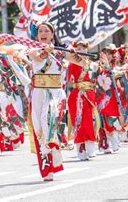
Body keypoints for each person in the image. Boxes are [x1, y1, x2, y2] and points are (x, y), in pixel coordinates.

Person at [27, 22, 87, 181]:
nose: (43, 33)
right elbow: (38, 58)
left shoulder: (61, 51)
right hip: (38, 92)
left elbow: (82, 63)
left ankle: (54, 148)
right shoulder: (32, 49)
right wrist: (46, 52)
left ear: (53, 34)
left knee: (47, 119)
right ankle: (49, 166)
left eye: (46, 30)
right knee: (39, 129)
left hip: (55, 92)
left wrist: (74, 53)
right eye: (40, 31)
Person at [66, 41, 99, 161]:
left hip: (90, 95)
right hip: (77, 95)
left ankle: (90, 148)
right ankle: (80, 149)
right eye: (78, 48)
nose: (81, 50)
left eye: (83, 48)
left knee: (90, 121)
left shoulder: (92, 64)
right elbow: (68, 82)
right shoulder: (72, 64)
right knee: (78, 122)